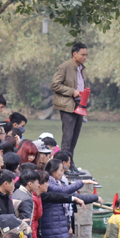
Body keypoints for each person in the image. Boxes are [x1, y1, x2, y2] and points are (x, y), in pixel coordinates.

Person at [49, 42, 89, 173]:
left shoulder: (81, 68)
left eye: (86, 55)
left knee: (74, 137)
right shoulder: (65, 66)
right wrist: (72, 91)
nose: (85, 57)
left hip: (79, 105)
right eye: (82, 55)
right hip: (68, 105)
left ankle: (71, 164)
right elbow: (55, 84)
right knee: (67, 137)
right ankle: (63, 166)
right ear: (74, 54)